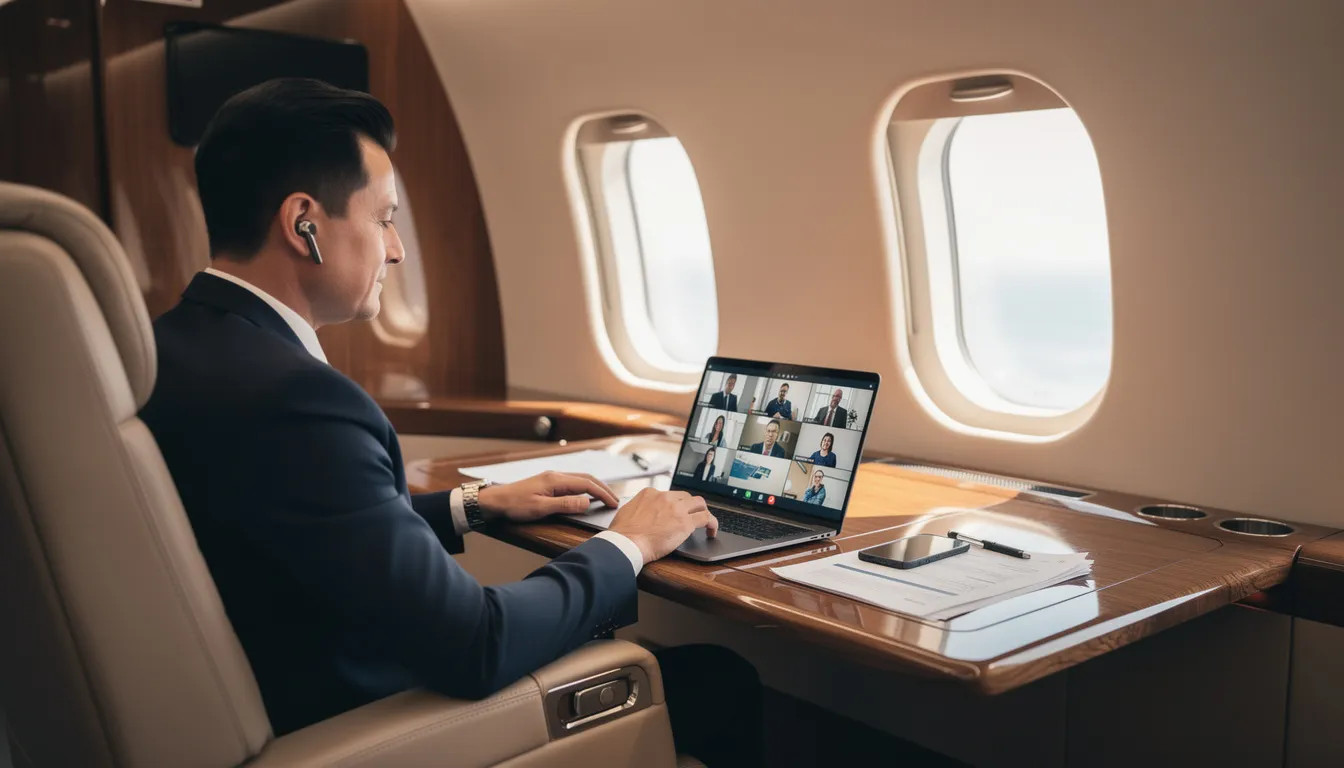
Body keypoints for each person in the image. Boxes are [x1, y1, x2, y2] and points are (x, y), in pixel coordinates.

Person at [137, 79, 761, 766]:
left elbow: (305, 527)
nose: (396, 250)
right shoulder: (299, 400)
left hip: (278, 679)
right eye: (383, 219)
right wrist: (628, 544)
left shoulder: (169, 349)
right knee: (718, 680)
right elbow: (478, 643)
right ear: (303, 223)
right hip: (358, 723)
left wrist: (474, 505)